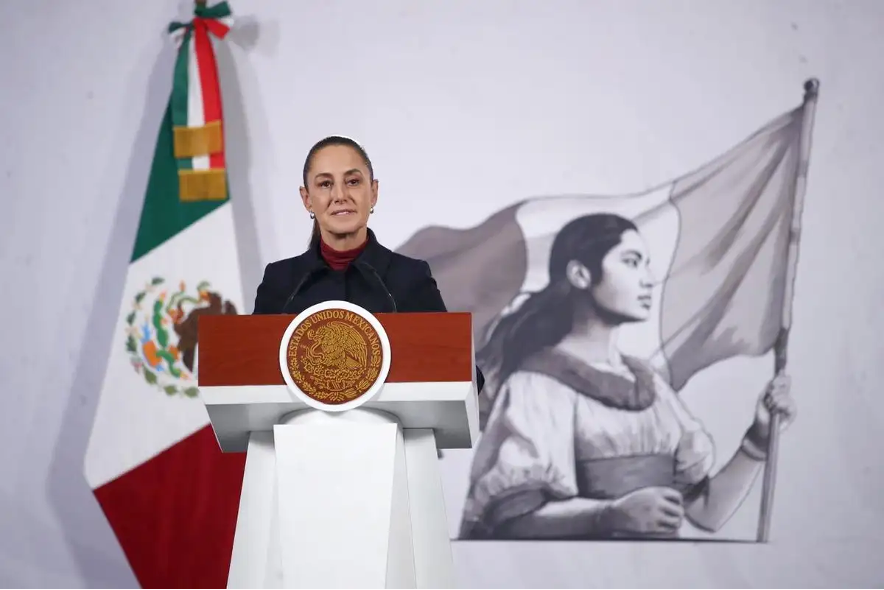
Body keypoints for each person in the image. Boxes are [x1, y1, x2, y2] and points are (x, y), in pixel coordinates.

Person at [458, 212, 796, 540]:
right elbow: (512, 520)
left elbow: (706, 513)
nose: (648, 278)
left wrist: (758, 439)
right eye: (632, 262)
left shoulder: (650, 386)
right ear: (580, 275)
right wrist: (610, 514)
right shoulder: (536, 385)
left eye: (646, 264)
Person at [252, 135, 484, 393]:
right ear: (307, 199)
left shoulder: (409, 277)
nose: (340, 195)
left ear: (373, 193)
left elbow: (465, 376)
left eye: (352, 182)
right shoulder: (282, 281)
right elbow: (248, 372)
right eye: (325, 184)